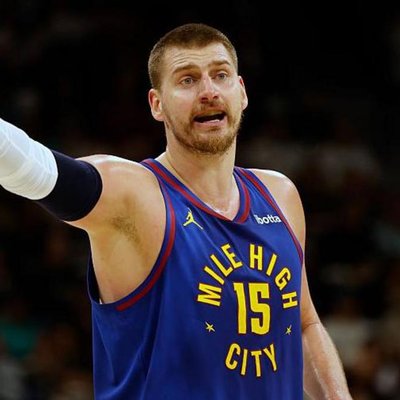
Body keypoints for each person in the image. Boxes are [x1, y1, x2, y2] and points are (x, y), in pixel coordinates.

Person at [0, 23, 352, 399]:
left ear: (242, 92)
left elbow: (303, 325)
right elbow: (34, 167)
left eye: (220, 75)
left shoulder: (279, 195)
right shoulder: (135, 194)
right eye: (187, 80)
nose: (209, 91)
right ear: (157, 104)